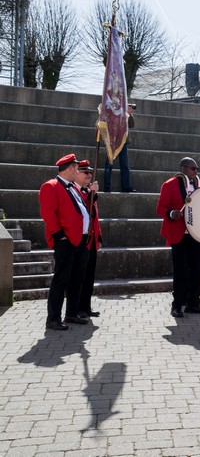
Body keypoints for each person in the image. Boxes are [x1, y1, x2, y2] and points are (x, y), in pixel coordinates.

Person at [39, 154, 91, 330]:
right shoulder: (51, 186)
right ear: (70, 168)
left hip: (79, 240)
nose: (78, 171)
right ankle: (53, 318)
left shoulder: (71, 188)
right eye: (76, 168)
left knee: (77, 279)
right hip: (66, 241)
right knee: (61, 279)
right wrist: (59, 234)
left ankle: (71, 313)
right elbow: (48, 213)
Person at [158, 157, 200, 318]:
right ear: (183, 168)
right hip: (178, 233)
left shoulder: (199, 185)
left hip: (195, 234)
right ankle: (177, 305)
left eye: (197, 169)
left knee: (196, 270)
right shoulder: (169, 184)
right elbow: (160, 209)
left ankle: (193, 303)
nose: (196, 172)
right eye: (193, 169)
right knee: (180, 271)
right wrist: (172, 213)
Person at [74, 160, 102, 319]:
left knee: (89, 275)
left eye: (90, 173)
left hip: (91, 239)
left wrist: (99, 237)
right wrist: (92, 194)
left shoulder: (87, 192)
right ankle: (77, 308)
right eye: (86, 172)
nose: (89, 175)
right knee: (79, 276)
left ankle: (86, 306)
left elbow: (95, 218)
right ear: (77, 173)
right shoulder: (75, 191)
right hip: (81, 240)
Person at [103, 103, 135, 193]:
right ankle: (107, 186)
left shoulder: (125, 113)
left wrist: (129, 114)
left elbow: (131, 125)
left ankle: (126, 186)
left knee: (125, 165)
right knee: (109, 165)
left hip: (123, 141)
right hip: (112, 141)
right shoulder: (112, 109)